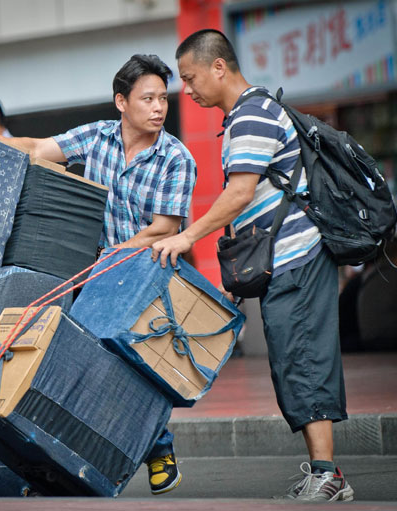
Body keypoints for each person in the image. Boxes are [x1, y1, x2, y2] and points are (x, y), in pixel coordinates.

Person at [0, 54, 196, 495]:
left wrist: (111, 257)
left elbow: (164, 229)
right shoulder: (98, 137)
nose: (158, 107)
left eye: (163, 98)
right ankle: (75, 463)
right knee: (87, 364)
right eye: (147, 98)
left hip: (151, 277)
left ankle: (159, 448)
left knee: (136, 368)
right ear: (121, 102)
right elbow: (36, 149)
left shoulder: (176, 158)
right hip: (102, 275)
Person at [151, 29, 354, 502]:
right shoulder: (247, 114)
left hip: (297, 258)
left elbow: (240, 193)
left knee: (303, 358)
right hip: (285, 259)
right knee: (292, 358)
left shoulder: (252, 115)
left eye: (190, 77)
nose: (189, 90)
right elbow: (251, 202)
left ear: (218, 67)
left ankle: (328, 475)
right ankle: (324, 472)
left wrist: (186, 236)